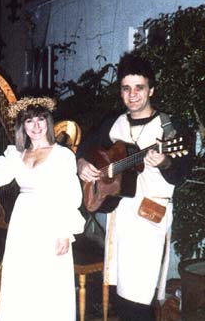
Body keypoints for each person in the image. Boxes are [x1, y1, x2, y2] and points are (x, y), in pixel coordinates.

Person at [76, 53, 192, 321]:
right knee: (123, 293)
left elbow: (181, 175)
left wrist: (164, 162)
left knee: (141, 295)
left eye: (139, 88)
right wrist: (82, 162)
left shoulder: (170, 127)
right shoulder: (114, 123)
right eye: (126, 88)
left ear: (151, 89)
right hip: (120, 217)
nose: (132, 95)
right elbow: (86, 145)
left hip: (150, 217)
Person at [0, 97, 85, 321]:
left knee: (50, 284)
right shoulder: (17, 154)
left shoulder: (62, 155)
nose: (36, 126)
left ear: (48, 122)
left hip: (51, 223)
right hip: (23, 222)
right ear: (23, 126)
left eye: (40, 119)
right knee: (22, 280)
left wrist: (64, 233)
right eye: (29, 121)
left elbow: (69, 196)